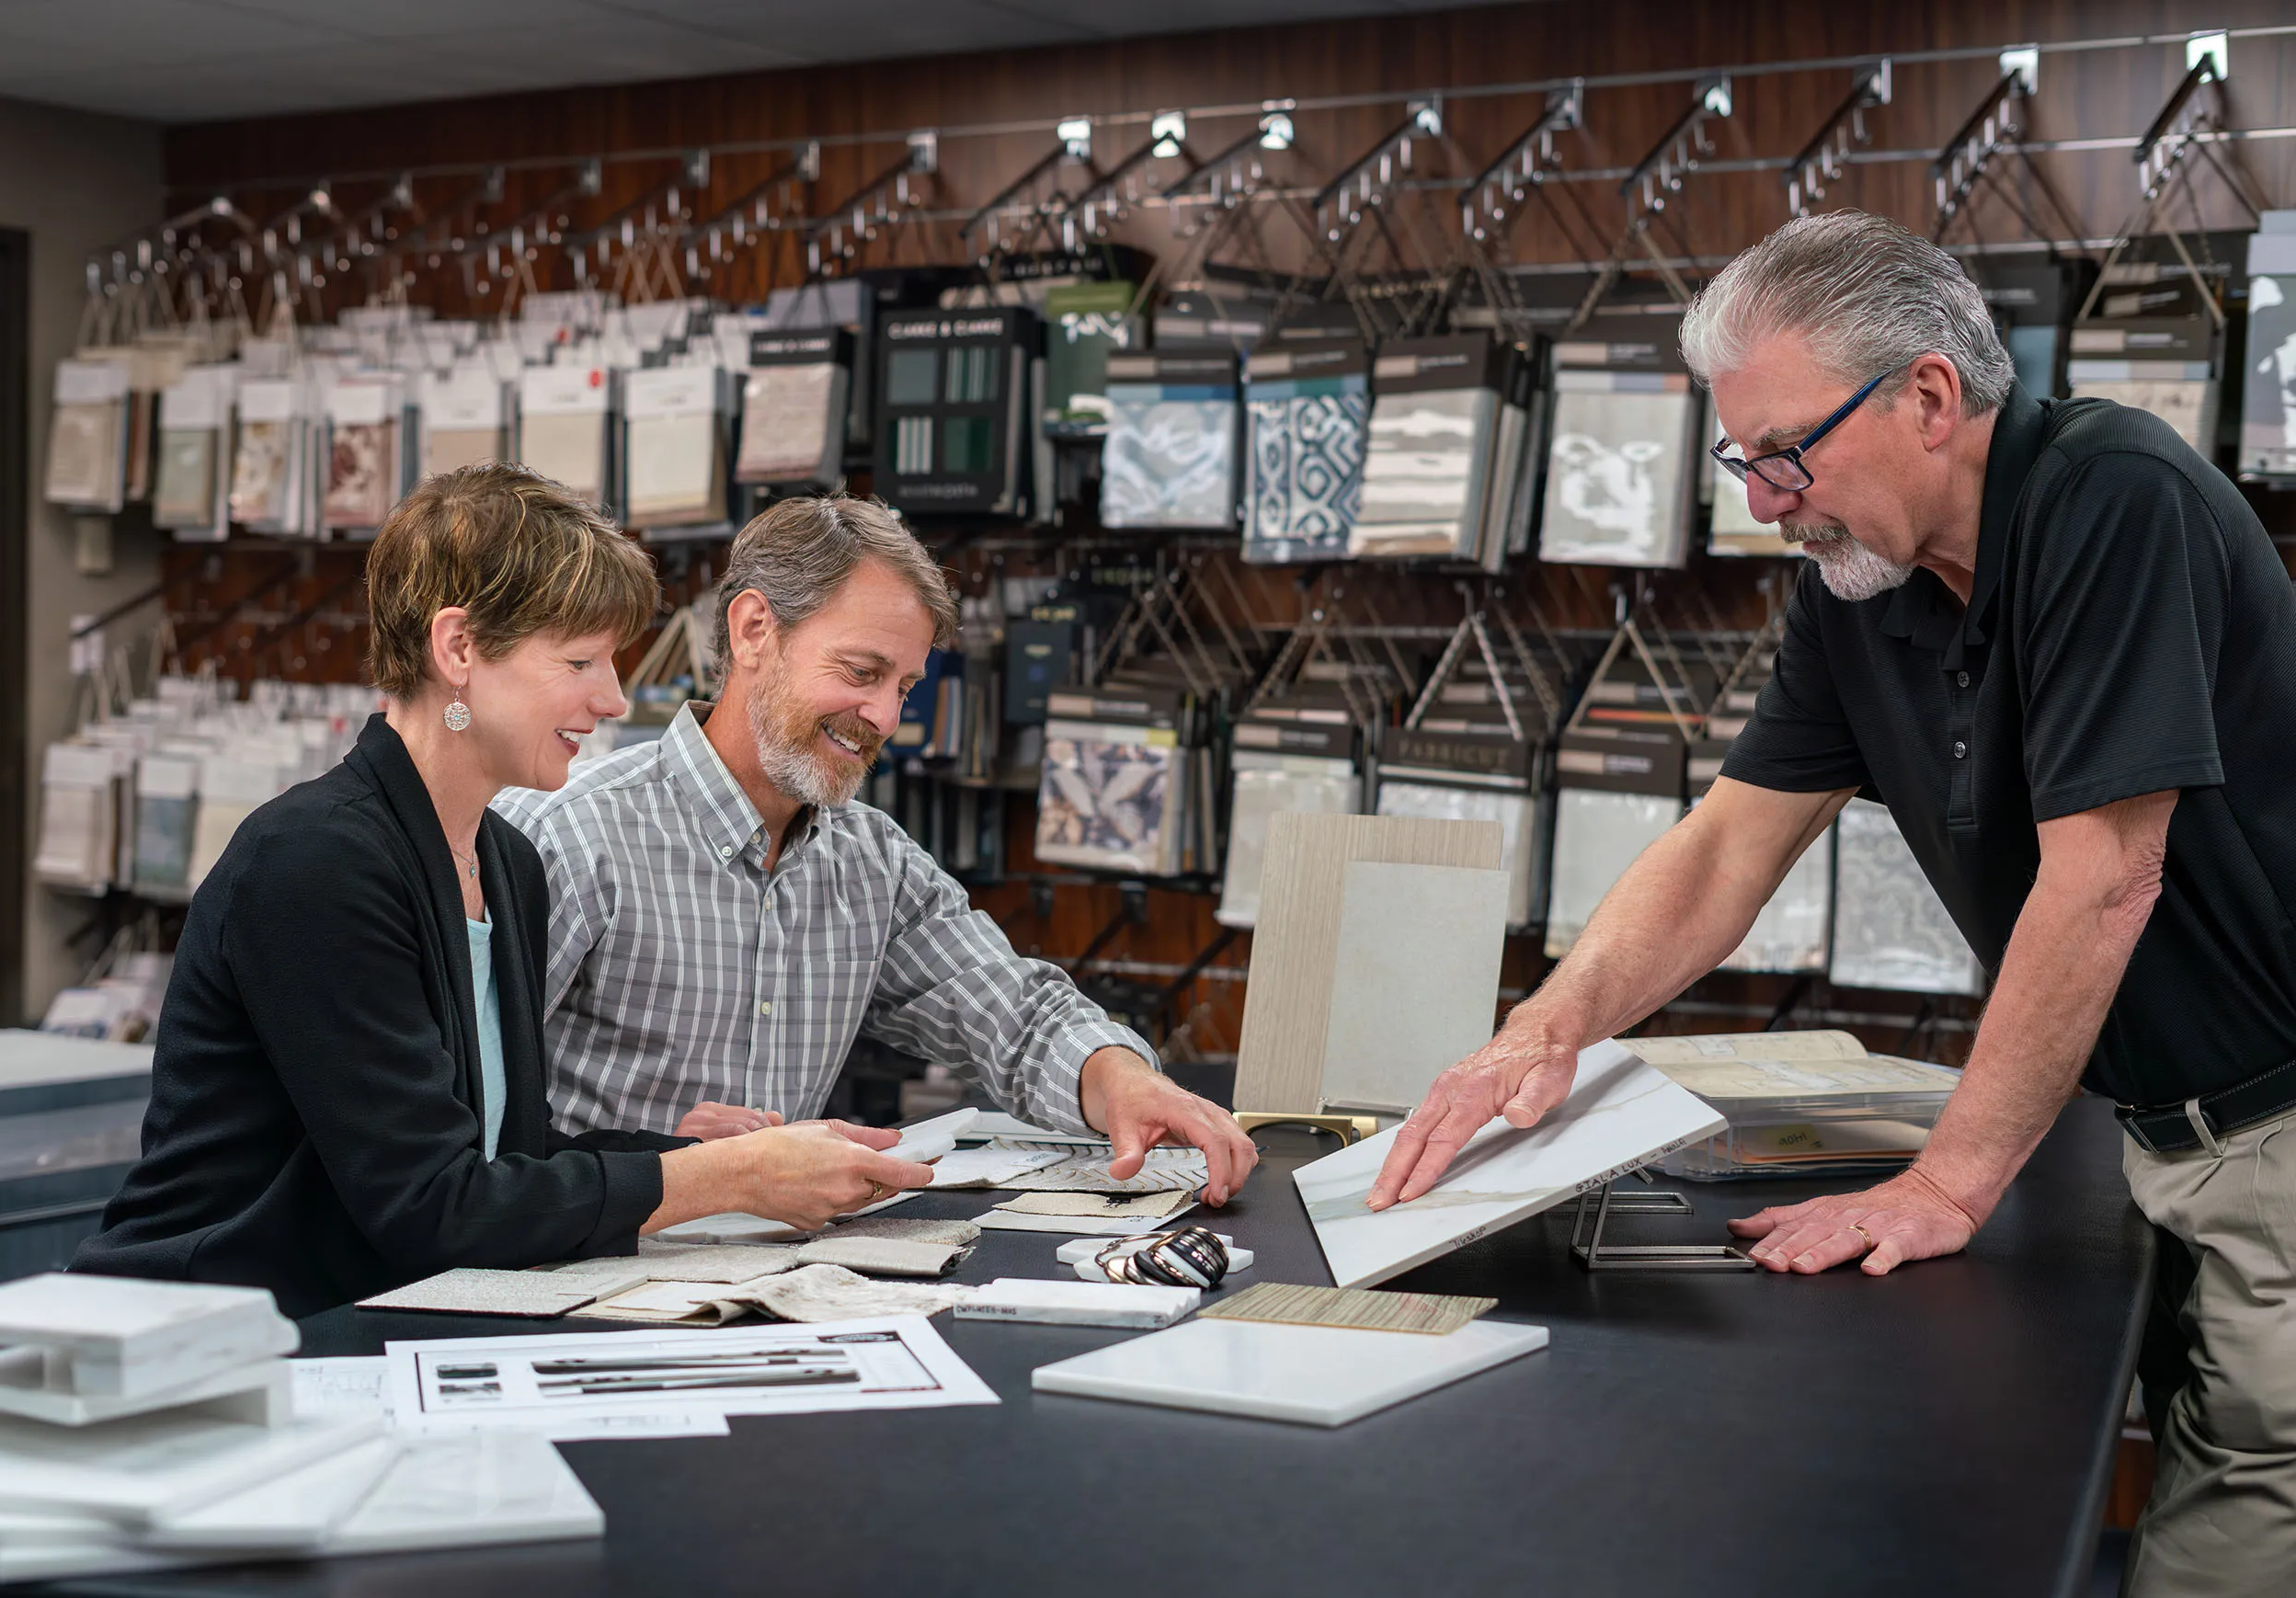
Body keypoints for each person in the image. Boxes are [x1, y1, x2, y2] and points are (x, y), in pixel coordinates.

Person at [1368, 211, 2296, 1598]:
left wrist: (1948, 1180)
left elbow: (2107, 873)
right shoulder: (1867, 580)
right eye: (1745, 461)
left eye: (1788, 453)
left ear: (1928, 395)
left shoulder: (2114, 497)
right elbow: (1728, 845)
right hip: (2153, 1132)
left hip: (2275, 1128)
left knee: (2236, 1531)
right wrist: (1544, 1026)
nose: (1764, 501)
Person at [75, 466, 931, 1318]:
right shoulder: (314, 863)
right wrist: (722, 1176)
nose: (611, 698)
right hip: (201, 1347)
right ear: (458, 651)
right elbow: (433, 1208)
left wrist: (673, 1151)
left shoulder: (505, 862)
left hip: (361, 1330)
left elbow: (497, 1156)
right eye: (578, 661)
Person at [496, 494, 1258, 1204]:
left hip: (778, 1291)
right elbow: (464, 1137)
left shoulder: (871, 862)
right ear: (754, 630)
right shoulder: (573, 836)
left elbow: (1010, 1014)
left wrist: (1117, 1075)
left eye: (906, 687)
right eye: (862, 673)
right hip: (583, 1282)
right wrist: (650, 1161)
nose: (884, 717)